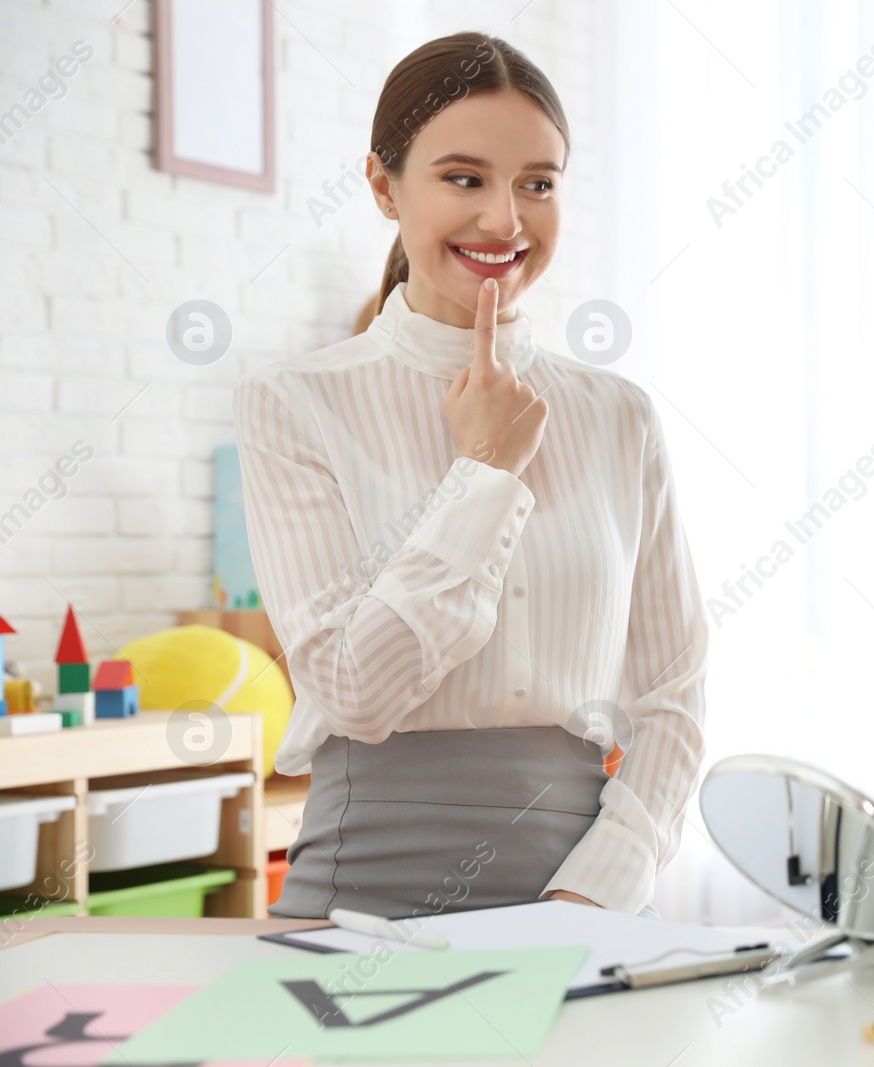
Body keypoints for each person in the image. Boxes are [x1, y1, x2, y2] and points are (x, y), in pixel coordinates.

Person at [235, 32, 707, 920]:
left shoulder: (620, 415)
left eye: (538, 182)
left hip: (583, 897)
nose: (505, 221)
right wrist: (484, 474)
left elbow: (673, 695)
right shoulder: (293, 404)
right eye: (463, 178)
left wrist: (591, 891)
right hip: (361, 893)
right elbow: (351, 692)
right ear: (383, 186)